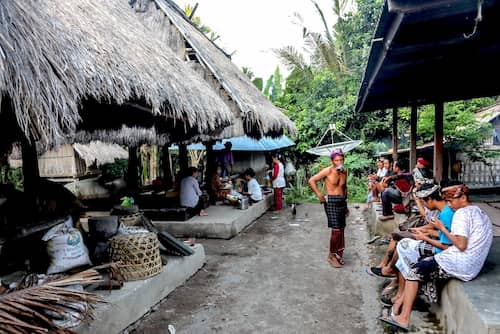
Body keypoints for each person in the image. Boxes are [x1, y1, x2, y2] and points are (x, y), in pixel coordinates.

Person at [379, 184, 493, 331]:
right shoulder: (479, 212)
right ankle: (398, 306)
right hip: (473, 265)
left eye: (451, 201)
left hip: (460, 261)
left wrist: (442, 228)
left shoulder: (461, 214)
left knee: (414, 272)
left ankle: (403, 317)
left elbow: (461, 244)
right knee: (420, 268)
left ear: (463, 198)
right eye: (448, 202)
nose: (450, 205)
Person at [308, 148, 348, 268]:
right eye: (336, 160)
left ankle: (338, 254)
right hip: (331, 201)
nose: (339, 162)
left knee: (341, 230)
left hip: (341, 201)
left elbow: (344, 188)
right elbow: (312, 180)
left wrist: (346, 205)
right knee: (336, 231)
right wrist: (319, 194)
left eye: (341, 160)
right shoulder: (328, 171)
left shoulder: (344, 171)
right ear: (332, 161)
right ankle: (331, 255)